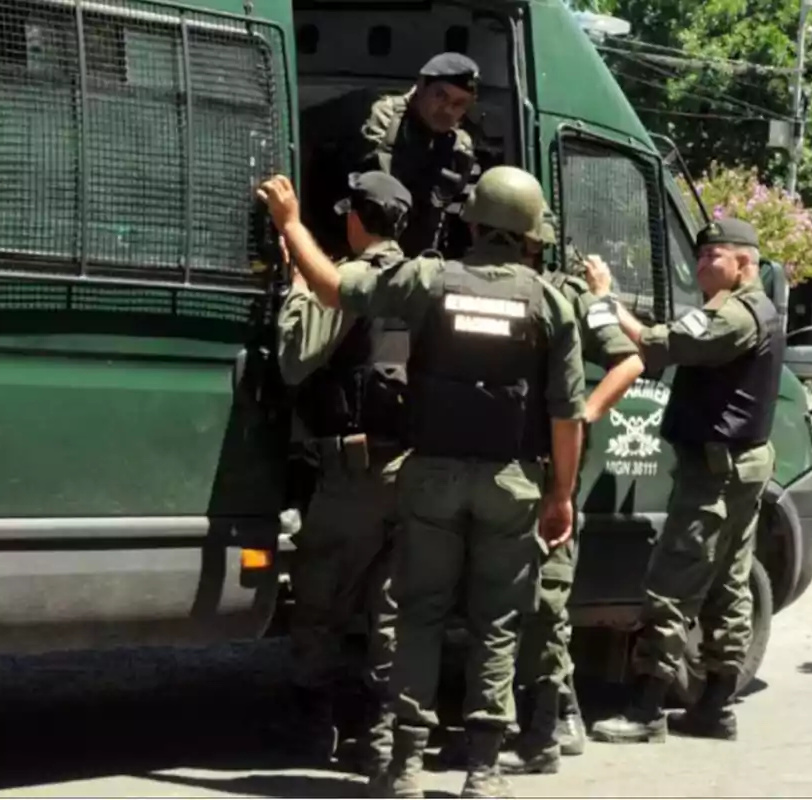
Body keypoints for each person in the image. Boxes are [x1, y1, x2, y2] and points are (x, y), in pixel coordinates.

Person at [257, 165, 588, 799]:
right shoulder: (551, 301)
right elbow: (565, 414)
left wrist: (292, 224)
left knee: (419, 617)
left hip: (431, 476)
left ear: (472, 223)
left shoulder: (429, 278)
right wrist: (561, 496)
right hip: (510, 483)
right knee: (496, 625)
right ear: (528, 233)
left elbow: (330, 288)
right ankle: (484, 772)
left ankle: (404, 766)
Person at [588, 218, 782, 745]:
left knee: (674, 582)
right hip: (738, 467)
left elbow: (663, 342)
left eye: (712, 256)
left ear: (745, 261)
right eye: (698, 257)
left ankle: (646, 709)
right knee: (728, 586)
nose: (700, 266)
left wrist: (605, 301)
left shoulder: (736, 315)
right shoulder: (744, 309)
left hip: (714, 475)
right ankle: (715, 706)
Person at [275, 171, 413, 780]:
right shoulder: (425, 279)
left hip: (355, 475)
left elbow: (294, 360)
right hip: (412, 473)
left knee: (320, 597)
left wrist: (299, 278)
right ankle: (380, 742)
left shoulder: (357, 280)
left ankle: (311, 726)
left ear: (359, 220)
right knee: (392, 610)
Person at [498, 239, 646, 775]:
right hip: (502, 467)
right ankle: (549, 715)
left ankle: (554, 723)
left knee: (545, 602)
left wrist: (583, 414)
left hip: (546, 472)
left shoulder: (571, 295)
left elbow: (629, 362)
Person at [353, 52, 480, 257]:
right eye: (441, 95)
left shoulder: (460, 146)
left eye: (459, 104)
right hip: (366, 250)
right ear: (421, 86)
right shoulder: (386, 120)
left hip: (420, 257)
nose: (447, 109)